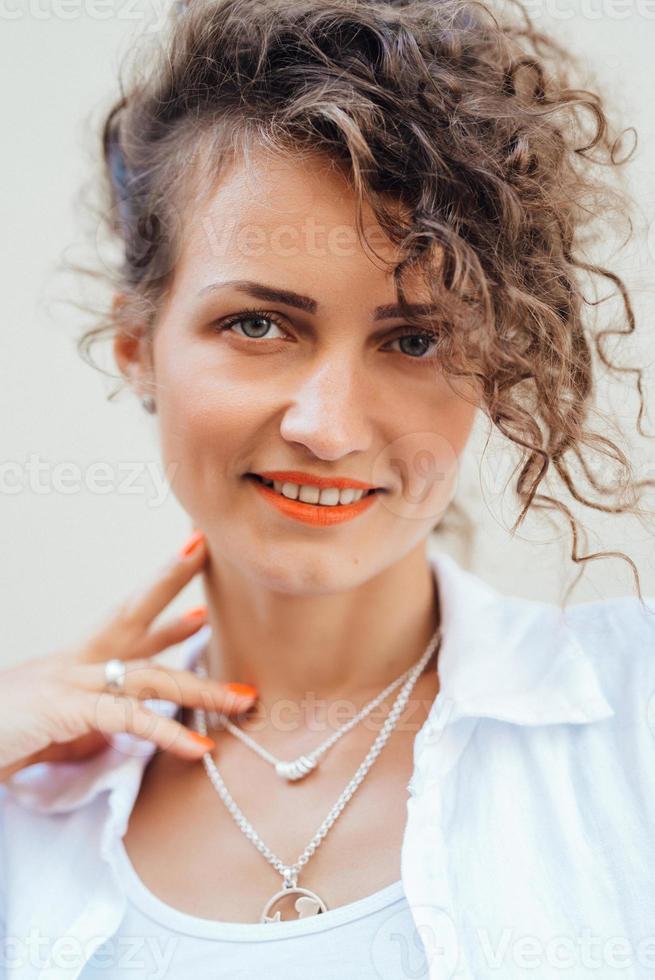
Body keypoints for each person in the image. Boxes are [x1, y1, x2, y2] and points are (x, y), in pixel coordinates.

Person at [2, 0, 655, 977]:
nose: (328, 425)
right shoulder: (25, 792)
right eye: (259, 325)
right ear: (139, 345)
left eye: (414, 339)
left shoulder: (633, 714)